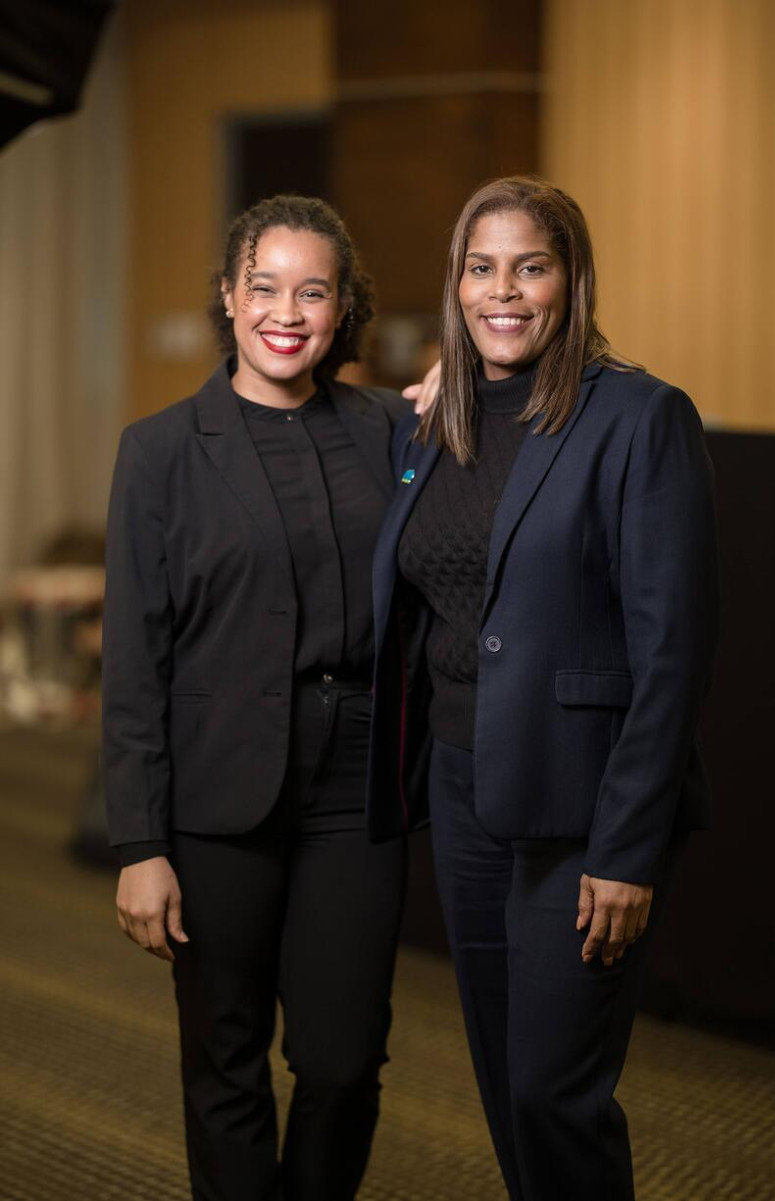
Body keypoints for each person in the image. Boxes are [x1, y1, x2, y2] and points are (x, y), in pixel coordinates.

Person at [368, 176, 719, 1200]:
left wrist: (626, 848)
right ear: (456, 283)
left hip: (577, 813)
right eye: (481, 268)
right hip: (464, 792)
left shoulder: (639, 417)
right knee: (498, 1081)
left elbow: (674, 651)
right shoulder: (434, 422)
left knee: (550, 1095)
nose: (502, 291)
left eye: (530, 265)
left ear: (570, 279)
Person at [103, 194, 410, 1201]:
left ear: (340, 307)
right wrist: (139, 843)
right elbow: (136, 660)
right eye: (265, 286)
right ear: (228, 298)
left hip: (352, 796)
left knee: (340, 1059)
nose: (287, 310)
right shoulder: (159, 450)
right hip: (217, 798)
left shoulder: (385, 434)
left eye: (312, 290)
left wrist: (463, 389)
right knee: (224, 1060)